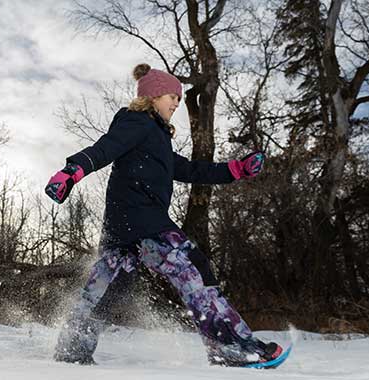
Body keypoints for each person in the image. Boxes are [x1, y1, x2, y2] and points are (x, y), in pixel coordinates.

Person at [45, 63, 281, 367]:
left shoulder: (156, 140)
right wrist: (72, 171)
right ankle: (232, 348)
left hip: (122, 228)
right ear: (153, 96)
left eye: (180, 99)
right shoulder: (137, 122)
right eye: (172, 96)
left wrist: (234, 169)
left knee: (109, 290)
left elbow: (190, 169)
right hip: (144, 224)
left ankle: (72, 351)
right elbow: (107, 147)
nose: (176, 103)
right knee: (193, 267)